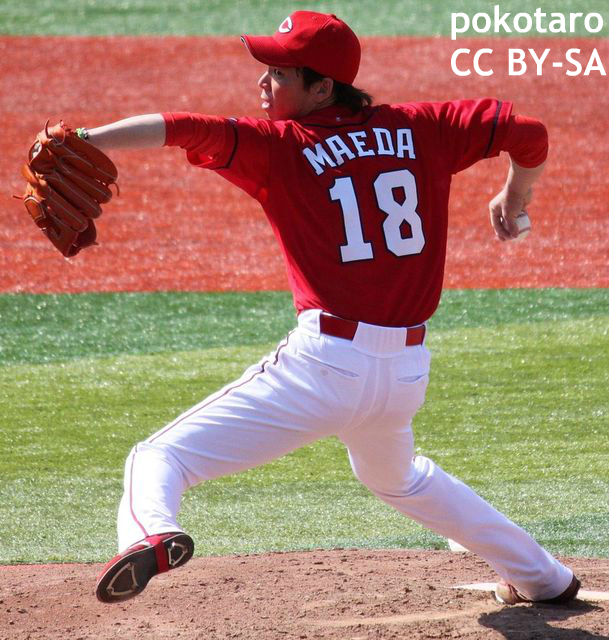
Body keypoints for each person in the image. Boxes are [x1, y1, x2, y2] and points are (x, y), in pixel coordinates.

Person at [92, 11, 580, 606]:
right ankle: (544, 578)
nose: (263, 83)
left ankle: (150, 534)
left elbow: (180, 128)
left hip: (324, 368)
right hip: (404, 374)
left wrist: (87, 139)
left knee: (160, 455)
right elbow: (528, 132)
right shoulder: (423, 128)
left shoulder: (280, 147)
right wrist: (515, 193)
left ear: (323, 87)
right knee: (398, 478)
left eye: (280, 74)